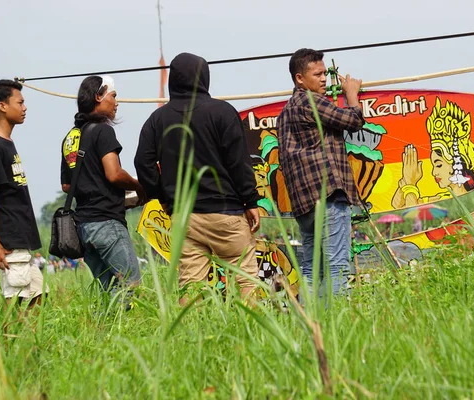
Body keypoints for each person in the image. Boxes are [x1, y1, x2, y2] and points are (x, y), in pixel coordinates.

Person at [134, 53, 260, 304]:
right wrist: (250, 201)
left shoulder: (158, 119)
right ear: (204, 77)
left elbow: (142, 163)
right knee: (245, 277)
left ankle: (189, 338)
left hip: (184, 216)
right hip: (227, 213)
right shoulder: (223, 112)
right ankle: (252, 333)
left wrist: (163, 198)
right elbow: (239, 162)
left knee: (191, 283)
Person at [277, 48, 364, 297]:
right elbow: (353, 120)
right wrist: (351, 94)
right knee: (337, 266)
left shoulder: (284, 114)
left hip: (304, 205)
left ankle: (307, 323)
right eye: (317, 74)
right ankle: (339, 327)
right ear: (300, 79)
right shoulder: (311, 101)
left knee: (311, 268)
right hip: (327, 197)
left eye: (325, 73)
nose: (324, 79)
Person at [60, 75, 143, 302]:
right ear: (98, 96)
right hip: (107, 222)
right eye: (113, 96)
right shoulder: (103, 131)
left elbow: (67, 185)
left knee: (107, 291)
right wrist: (139, 186)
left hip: (84, 227)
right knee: (131, 285)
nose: (116, 102)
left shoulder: (72, 137)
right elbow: (114, 174)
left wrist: (91, 186)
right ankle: (122, 333)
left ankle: (102, 331)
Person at [0, 79, 47, 307]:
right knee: (16, 305)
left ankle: (30, 344)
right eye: (20, 102)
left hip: (21, 239)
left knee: (38, 298)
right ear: (2, 106)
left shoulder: (8, 143)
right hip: (8, 241)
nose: (25, 107)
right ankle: (9, 344)